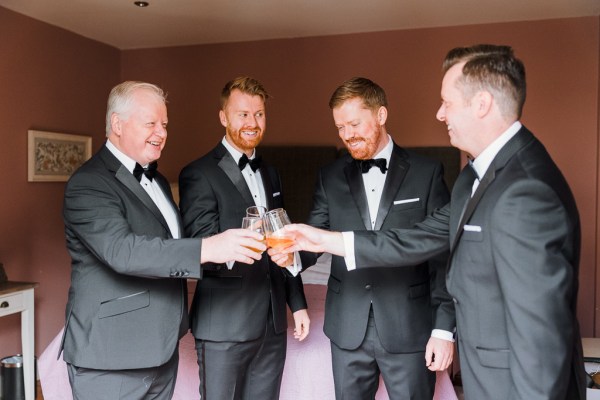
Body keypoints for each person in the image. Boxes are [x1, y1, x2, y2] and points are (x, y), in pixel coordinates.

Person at [283, 45, 586, 399]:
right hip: (483, 376)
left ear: (482, 104)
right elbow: (414, 239)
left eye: (447, 102)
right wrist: (319, 241)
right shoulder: (475, 178)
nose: (440, 114)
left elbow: (541, 334)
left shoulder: (525, 188)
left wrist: (443, 330)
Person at [61, 81, 265, 400]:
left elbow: (168, 248)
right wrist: (211, 246)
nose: (161, 132)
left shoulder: (156, 179)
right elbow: (123, 251)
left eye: (165, 124)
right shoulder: (88, 183)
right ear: (117, 124)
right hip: (112, 358)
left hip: (161, 350)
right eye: (151, 123)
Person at [270, 77, 455, 399]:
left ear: (381, 115)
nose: (348, 135)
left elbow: (442, 255)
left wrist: (443, 328)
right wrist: (292, 257)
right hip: (346, 327)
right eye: (340, 127)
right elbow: (315, 237)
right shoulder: (330, 176)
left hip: (409, 325)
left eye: (354, 124)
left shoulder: (427, 172)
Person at [178, 76, 309, 400]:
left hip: (272, 324)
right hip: (224, 324)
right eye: (243, 114)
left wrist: (298, 303)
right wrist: (242, 240)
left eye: (259, 114)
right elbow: (199, 244)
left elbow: (283, 239)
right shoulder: (199, 173)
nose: (253, 123)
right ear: (223, 117)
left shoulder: (271, 172)